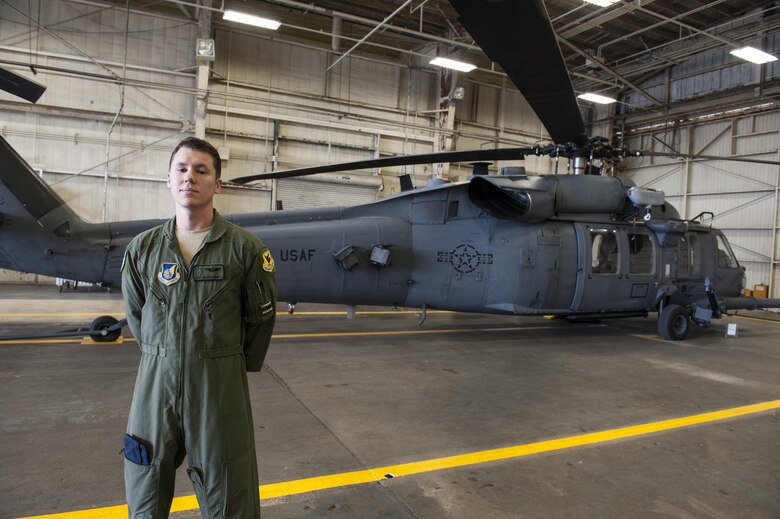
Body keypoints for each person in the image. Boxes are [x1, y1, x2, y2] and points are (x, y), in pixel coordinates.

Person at [121, 137, 277, 517]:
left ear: (217, 184)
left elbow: (260, 321)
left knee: (229, 492)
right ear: (169, 179)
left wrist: (225, 360)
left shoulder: (245, 250)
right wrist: (164, 352)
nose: (190, 176)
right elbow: (138, 318)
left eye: (201, 170)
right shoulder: (142, 250)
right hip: (156, 385)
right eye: (182, 168)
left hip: (218, 387)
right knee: (145, 483)